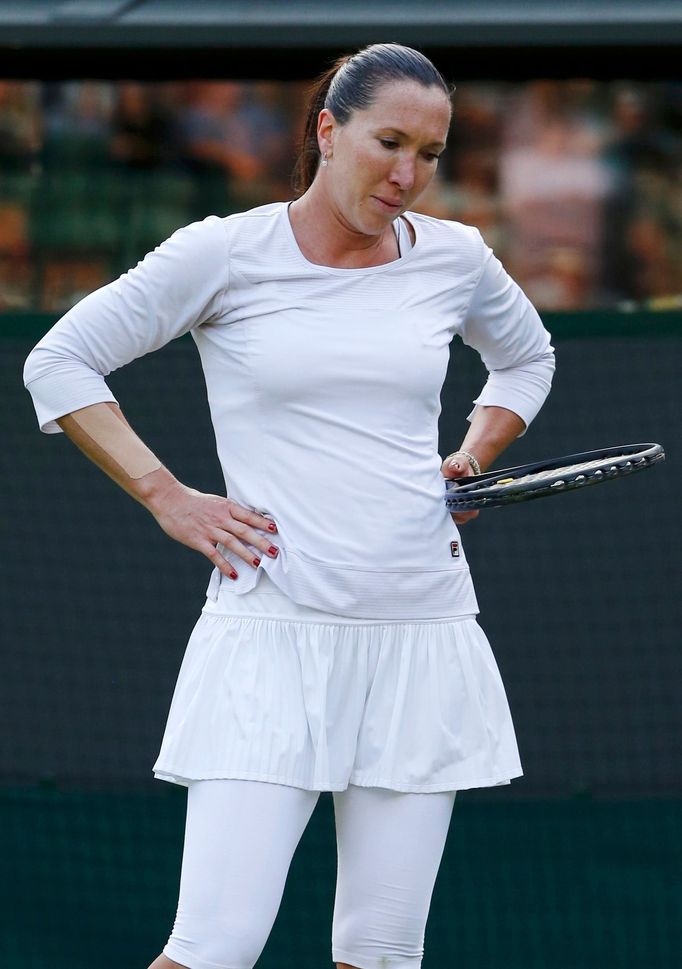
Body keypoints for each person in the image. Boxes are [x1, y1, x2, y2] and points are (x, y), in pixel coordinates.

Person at [23, 43, 555, 969]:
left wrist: (469, 457)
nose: (407, 174)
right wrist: (166, 495)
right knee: (215, 946)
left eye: (430, 154)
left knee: (383, 952)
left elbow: (526, 357)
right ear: (326, 129)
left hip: (420, 635)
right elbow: (59, 362)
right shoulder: (224, 252)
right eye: (389, 142)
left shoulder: (457, 257)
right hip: (271, 637)